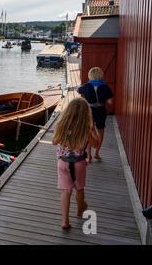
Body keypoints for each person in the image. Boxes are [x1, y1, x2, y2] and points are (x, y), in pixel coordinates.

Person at [53, 98, 99, 230]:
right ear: (86, 113)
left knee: (66, 192)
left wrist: (65, 137)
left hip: (63, 163)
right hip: (79, 164)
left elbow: (54, 142)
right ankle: (80, 210)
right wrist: (91, 132)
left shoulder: (62, 125)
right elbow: (95, 145)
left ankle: (65, 221)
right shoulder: (86, 128)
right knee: (79, 189)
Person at [78, 67, 114, 162]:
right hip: (101, 111)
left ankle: (88, 156)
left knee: (90, 132)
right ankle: (96, 153)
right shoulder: (105, 87)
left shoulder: (86, 86)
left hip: (89, 111)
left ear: (90, 75)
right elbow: (110, 102)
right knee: (101, 132)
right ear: (101, 75)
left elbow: (79, 91)